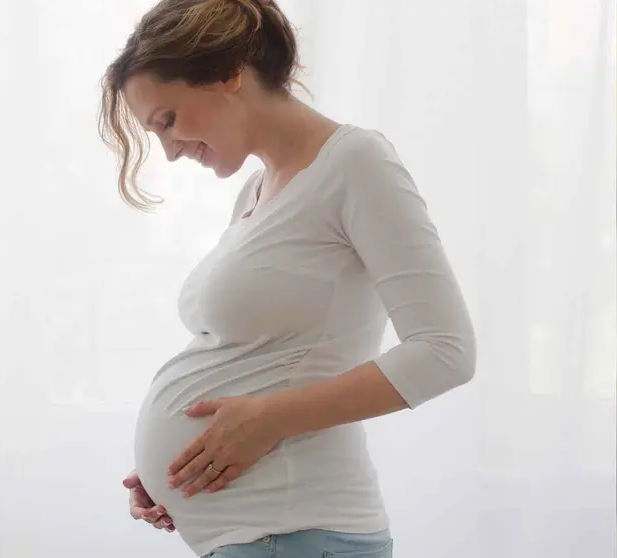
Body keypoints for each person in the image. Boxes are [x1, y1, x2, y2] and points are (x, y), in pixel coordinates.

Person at [97, 0, 477, 557]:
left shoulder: (355, 162)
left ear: (229, 71)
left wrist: (267, 421)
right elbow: (262, 358)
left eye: (169, 120)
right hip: (262, 537)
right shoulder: (255, 192)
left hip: (300, 532)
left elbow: (446, 351)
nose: (170, 151)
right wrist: (181, 469)